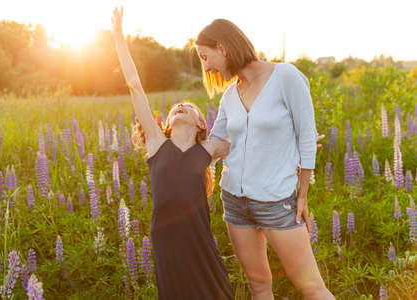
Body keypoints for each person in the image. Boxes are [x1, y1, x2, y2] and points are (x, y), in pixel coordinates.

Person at [195, 19, 335, 300]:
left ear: (222, 47)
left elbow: (307, 138)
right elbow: (218, 144)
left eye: (205, 57)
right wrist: (174, 144)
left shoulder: (286, 77)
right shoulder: (230, 95)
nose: (206, 67)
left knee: (311, 287)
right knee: (258, 286)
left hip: (276, 201)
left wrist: (302, 195)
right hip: (234, 202)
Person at [111, 8, 234, 300]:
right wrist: (118, 38)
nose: (181, 105)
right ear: (165, 123)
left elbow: (253, 145)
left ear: (202, 123)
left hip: (199, 244)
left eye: (190, 106)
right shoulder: (156, 144)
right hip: (167, 246)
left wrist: (296, 149)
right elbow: (134, 85)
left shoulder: (208, 149)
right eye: (176, 105)